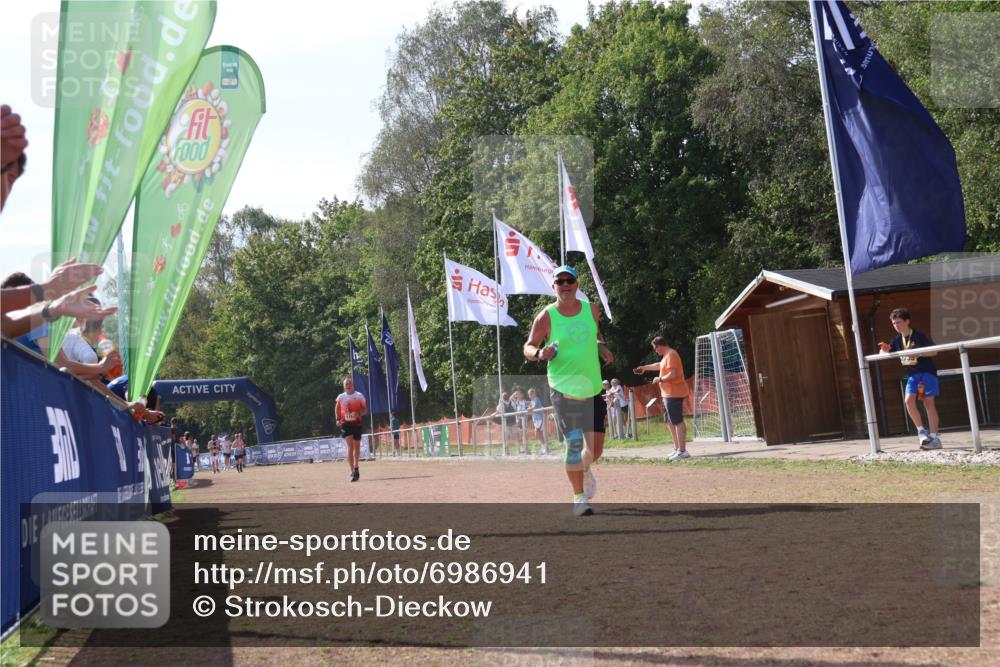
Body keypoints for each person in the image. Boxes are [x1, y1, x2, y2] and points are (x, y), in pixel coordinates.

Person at [524, 265, 613, 516]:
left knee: (595, 450)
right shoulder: (546, 316)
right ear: (553, 287)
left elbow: (596, 335)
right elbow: (528, 346)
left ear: (577, 284)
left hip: (593, 388)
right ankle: (578, 497)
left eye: (569, 280)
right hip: (563, 390)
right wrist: (540, 353)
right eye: (559, 281)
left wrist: (602, 347)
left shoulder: (591, 310)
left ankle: (584, 470)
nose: (565, 285)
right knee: (573, 444)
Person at [878, 308, 942, 449]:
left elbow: (935, 351)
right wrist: (885, 349)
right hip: (913, 376)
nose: (896, 326)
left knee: (928, 404)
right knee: (908, 401)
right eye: (894, 323)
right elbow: (884, 351)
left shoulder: (919, 335)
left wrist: (919, 353)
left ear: (907, 321)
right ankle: (921, 433)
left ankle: (935, 438)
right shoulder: (896, 340)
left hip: (926, 373)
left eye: (899, 322)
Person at [635, 336, 689, 460]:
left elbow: (673, 374)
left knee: (677, 421)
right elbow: (659, 365)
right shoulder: (666, 356)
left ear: (660, 345)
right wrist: (645, 368)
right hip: (667, 394)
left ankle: (682, 451)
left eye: (655, 348)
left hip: (674, 393)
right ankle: (677, 449)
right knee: (669, 421)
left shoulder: (671, 354)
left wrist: (660, 379)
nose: (655, 351)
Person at [335, 377, 368, 482]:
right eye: (346, 385)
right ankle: (353, 471)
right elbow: (337, 407)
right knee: (350, 447)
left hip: (357, 423)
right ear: (344, 387)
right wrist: (337, 419)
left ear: (352, 385)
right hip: (345, 424)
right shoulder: (341, 397)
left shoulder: (359, 396)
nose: (348, 386)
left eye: (349, 384)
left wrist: (358, 413)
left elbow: (364, 410)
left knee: (357, 447)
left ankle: (356, 466)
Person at [527, 387, 548, 453]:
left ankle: (545, 446)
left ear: (534, 393)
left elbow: (535, 407)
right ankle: (544, 447)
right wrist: (529, 409)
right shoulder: (532, 401)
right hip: (535, 419)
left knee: (537, 433)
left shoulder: (536, 399)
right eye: (529, 394)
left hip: (539, 418)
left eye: (531, 393)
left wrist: (530, 409)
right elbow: (530, 410)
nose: (530, 395)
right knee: (539, 433)